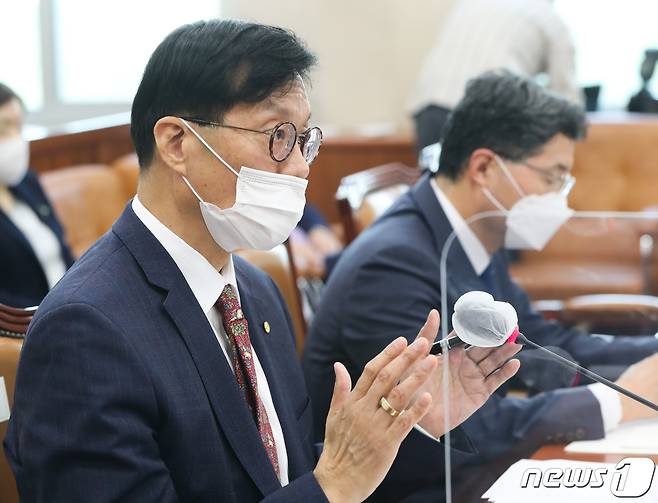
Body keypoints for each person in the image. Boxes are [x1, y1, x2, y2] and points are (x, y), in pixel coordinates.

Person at [4, 21, 522, 503]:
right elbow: (323, 488)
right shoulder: (85, 330)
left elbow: (285, 481)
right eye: (278, 137)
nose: (299, 167)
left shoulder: (253, 290)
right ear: (178, 143)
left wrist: (413, 423)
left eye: (304, 140)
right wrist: (333, 482)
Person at [303, 70, 658, 500]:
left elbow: (539, 341)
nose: (561, 199)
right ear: (485, 167)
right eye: (553, 178)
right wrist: (617, 401)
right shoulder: (392, 264)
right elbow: (459, 425)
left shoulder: (474, 235)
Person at [410, 0, 581, 152]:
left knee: (437, 183)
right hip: (488, 113)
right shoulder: (551, 20)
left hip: (430, 103)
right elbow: (567, 102)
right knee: (488, 184)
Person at [0, 83, 74, 307]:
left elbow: (65, 253)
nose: (16, 140)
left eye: (19, 128)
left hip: (72, 308)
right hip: (26, 329)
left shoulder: (28, 183)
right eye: (4, 128)